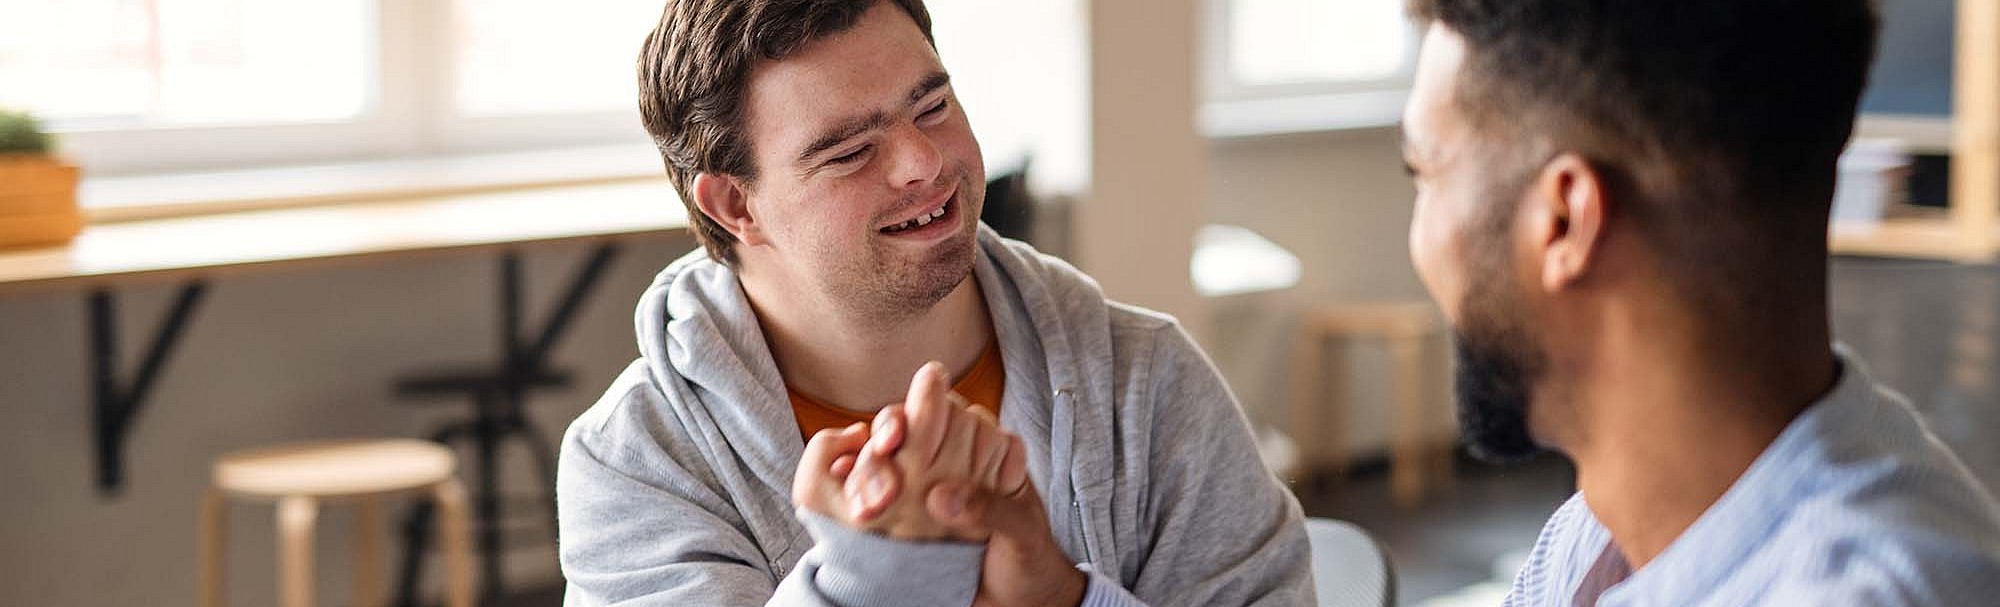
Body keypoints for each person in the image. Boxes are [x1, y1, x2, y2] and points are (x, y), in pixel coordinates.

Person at [555, 0, 1312, 604]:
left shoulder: (1148, 386)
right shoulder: (638, 464)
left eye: (934, 105)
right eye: (850, 151)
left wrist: (1062, 596)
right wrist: (876, 575)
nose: (925, 163)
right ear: (734, 206)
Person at [1396, 0, 2000, 604]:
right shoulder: (1595, 535)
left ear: (1563, 221)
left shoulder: (1865, 590)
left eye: (1422, 171)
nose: (1416, 238)